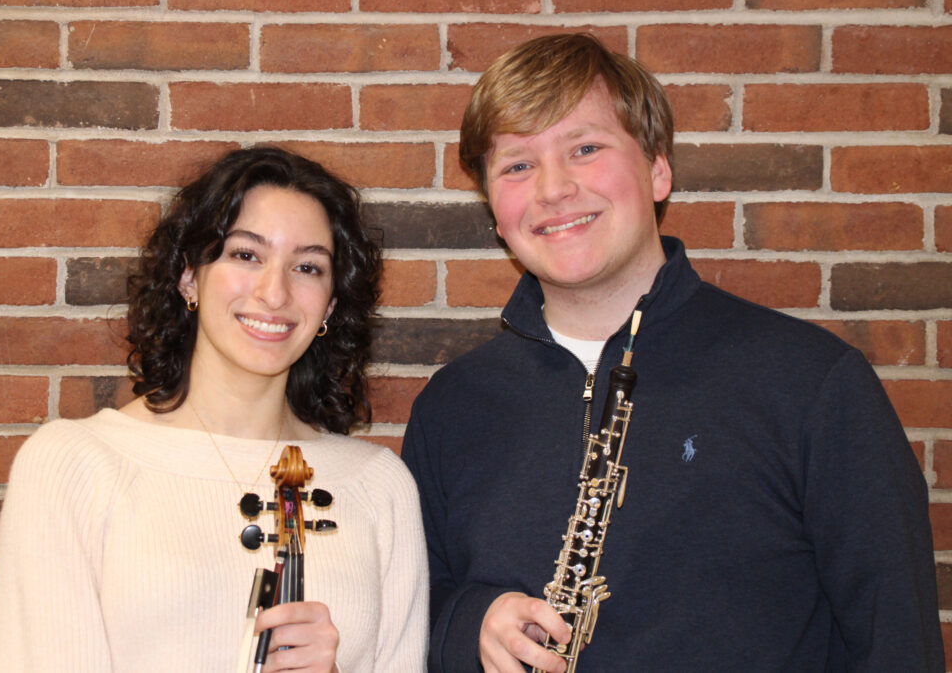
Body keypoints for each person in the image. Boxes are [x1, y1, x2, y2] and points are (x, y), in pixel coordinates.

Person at [401, 33, 943, 672]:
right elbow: (408, 616)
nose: (553, 189)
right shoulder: (451, 405)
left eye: (585, 148)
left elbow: (895, 642)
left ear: (658, 169)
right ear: (493, 209)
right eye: (517, 165)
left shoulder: (811, 381)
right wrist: (473, 623)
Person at [0, 146, 429, 672]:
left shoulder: (380, 488)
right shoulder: (74, 465)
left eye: (308, 267)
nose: (275, 292)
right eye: (245, 255)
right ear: (188, 276)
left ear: (330, 305)